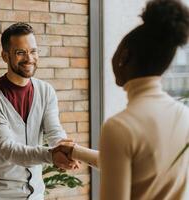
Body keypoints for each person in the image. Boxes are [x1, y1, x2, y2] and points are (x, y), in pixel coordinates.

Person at [67, 0, 189, 199]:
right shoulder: (184, 115)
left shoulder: (119, 127)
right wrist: (75, 151)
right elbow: (136, 166)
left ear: (123, 57)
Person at [0, 23, 78, 200]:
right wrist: (52, 155)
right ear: (5, 56)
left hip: (36, 194)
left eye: (33, 51)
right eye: (20, 52)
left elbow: (54, 131)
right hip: (0, 195)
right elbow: (8, 149)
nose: (29, 58)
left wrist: (66, 149)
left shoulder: (46, 91)